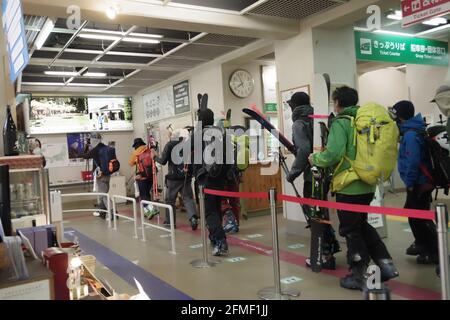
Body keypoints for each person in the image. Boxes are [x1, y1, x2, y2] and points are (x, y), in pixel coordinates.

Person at [309, 86, 398, 290]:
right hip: (367, 183)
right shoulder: (362, 121)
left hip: (349, 185)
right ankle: (386, 265)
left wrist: (315, 158)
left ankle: (358, 273)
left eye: (334, 102)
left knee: (350, 229)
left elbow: (333, 154)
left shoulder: (342, 122)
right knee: (362, 225)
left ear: (338, 103)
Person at [286, 91, 339, 269]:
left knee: (314, 214)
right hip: (326, 174)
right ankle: (329, 247)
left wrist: (293, 173)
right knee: (321, 212)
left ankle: (323, 254)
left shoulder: (299, 124)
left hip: (312, 177)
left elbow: (304, 150)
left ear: (294, 106)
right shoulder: (317, 119)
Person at [391, 100, 439, 264]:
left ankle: (432, 250)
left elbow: (413, 161)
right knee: (416, 215)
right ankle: (424, 244)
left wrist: (410, 183)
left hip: (419, 182)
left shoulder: (411, 135)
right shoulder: (415, 130)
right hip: (421, 181)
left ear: (401, 116)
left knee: (419, 217)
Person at [192, 106, 229, 256]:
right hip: (221, 177)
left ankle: (220, 241)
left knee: (209, 212)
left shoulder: (199, 134)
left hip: (207, 177)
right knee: (216, 208)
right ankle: (214, 237)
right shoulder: (222, 132)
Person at [154, 129, 198, 230]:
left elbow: (163, 161)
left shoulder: (170, 145)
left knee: (170, 200)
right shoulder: (187, 144)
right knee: (188, 199)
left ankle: (170, 222)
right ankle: (193, 218)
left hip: (173, 178)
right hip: (186, 176)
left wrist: (154, 157)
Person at [83, 133, 114, 219]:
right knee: (102, 195)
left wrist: (86, 146)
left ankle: (113, 213)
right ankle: (102, 213)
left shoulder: (95, 150)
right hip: (107, 175)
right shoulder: (105, 148)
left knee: (104, 196)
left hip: (100, 176)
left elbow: (84, 156)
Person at [128, 138, 158, 219]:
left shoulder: (136, 153)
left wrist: (135, 161)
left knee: (143, 195)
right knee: (147, 193)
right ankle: (147, 211)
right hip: (151, 176)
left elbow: (130, 163)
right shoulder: (148, 150)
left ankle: (151, 209)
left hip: (141, 177)